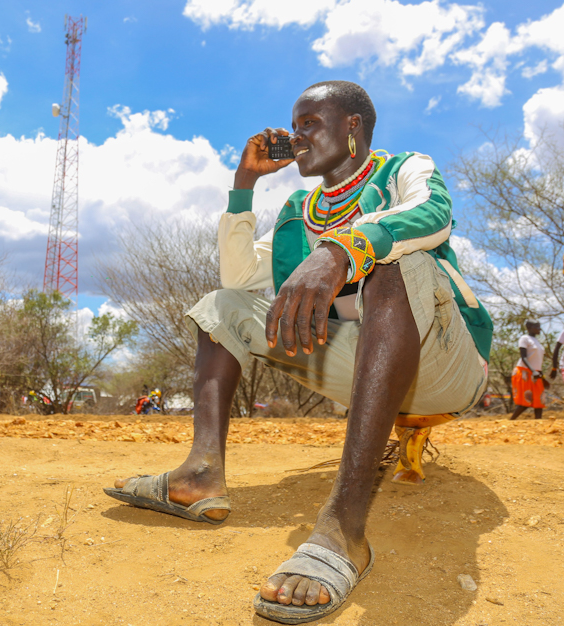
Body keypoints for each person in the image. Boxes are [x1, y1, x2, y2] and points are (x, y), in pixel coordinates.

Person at [104, 81, 493, 624]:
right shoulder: (298, 211)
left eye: (309, 121)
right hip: (364, 367)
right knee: (222, 306)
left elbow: (434, 214)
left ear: (352, 125)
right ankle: (200, 474)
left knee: (395, 264)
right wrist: (244, 183)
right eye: (295, 124)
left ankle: (344, 529)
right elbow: (237, 278)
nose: (296, 134)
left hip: (445, 363)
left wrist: (342, 248)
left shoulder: (403, 169)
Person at [510, 320, 547, 420]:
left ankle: (538, 423)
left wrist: (542, 377)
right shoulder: (524, 339)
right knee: (525, 400)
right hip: (524, 371)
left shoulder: (537, 342)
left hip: (536, 373)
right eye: (537, 327)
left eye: (540, 326)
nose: (539, 329)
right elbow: (523, 357)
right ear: (529, 327)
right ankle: (511, 421)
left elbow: (538, 361)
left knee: (539, 400)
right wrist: (533, 371)